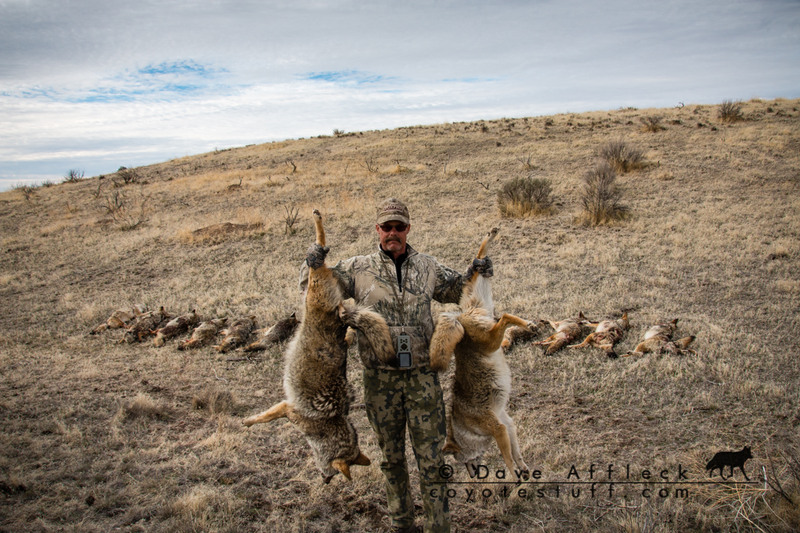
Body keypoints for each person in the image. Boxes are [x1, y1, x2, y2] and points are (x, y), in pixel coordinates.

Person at [302, 198, 492, 533]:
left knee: (432, 461)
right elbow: (315, 290)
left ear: (408, 229)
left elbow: (459, 288)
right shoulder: (357, 268)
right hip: (380, 382)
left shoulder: (428, 266)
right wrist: (311, 264)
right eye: (386, 227)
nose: (393, 233)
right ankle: (402, 526)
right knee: (391, 461)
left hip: (422, 380)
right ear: (377, 229)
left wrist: (480, 271)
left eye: (399, 227)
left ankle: (438, 527)